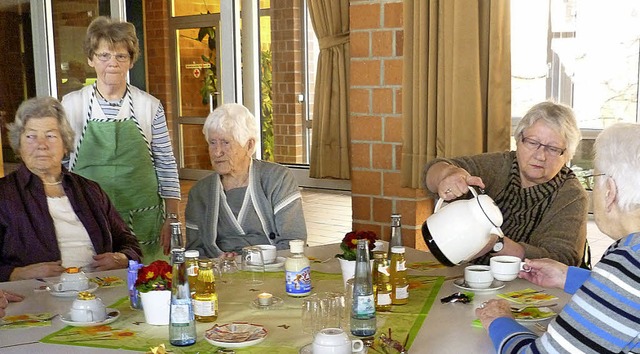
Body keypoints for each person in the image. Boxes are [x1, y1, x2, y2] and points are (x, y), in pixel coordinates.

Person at [476, 122, 640, 353]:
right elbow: (627, 296)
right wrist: (568, 277)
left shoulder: (630, 260)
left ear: (610, 191)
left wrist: (498, 321)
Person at [61, 16, 180, 261]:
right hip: (88, 216)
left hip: (143, 218)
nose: (112, 63)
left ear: (131, 61)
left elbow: (166, 164)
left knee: (148, 285)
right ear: (91, 59)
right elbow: (60, 166)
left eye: (121, 56)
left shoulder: (149, 106)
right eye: (104, 55)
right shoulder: (71, 105)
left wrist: (172, 218)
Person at [424, 101, 589, 267]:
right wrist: (448, 174)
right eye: (532, 142)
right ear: (518, 141)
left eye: (552, 148)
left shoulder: (571, 195)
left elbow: (563, 259)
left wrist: (497, 244)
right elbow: (432, 170)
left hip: (534, 288)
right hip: (471, 276)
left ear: (567, 155)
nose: (540, 156)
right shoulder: (501, 165)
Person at [0, 96, 143, 282]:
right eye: (31, 136)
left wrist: (123, 258)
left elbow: (128, 242)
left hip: (99, 287)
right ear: (18, 144)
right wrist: (18, 274)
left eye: (50, 136)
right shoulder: (4, 194)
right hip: (36, 295)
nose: (41, 145)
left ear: (65, 144)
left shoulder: (90, 190)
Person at [185, 103, 307, 257]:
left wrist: (252, 262)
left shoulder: (277, 178)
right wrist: (219, 262)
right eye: (212, 142)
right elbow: (193, 252)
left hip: (272, 270)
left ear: (249, 145)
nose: (217, 152)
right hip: (221, 274)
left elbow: (293, 242)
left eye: (226, 142)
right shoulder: (199, 192)